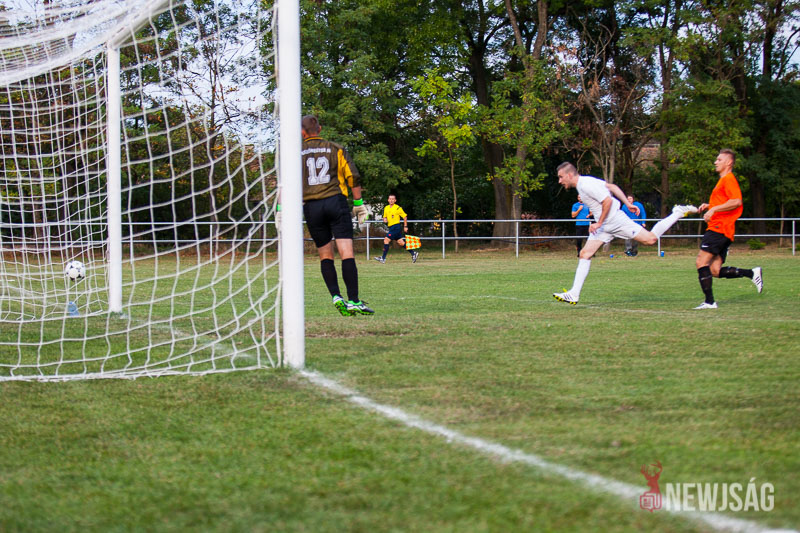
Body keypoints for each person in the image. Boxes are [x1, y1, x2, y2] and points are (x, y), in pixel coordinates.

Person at [552, 162, 697, 305]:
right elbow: (612, 187)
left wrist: (599, 222)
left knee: (651, 239)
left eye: (561, 177)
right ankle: (574, 294)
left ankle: (677, 213)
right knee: (585, 254)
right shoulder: (584, 183)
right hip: (604, 226)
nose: (559, 181)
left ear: (569, 175)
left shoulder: (586, 185)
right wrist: (627, 204)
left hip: (614, 220)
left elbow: (607, 201)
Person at [301, 115, 374, 316]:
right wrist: (358, 203)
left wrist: (281, 209)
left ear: (302, 132)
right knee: (346, 252)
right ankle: (354, 301)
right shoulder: (336, 148)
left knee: (325, 255)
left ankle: (336, 296)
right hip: (335, 201)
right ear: (320, 129)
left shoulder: (295, 152)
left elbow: (286, 182)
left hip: (311, 206)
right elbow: (353, 176)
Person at [693, 149, 763, 309]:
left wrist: (713, 210)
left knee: (701, 262)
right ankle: (751, 273)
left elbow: (736, 201)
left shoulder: (728, 179)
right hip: (724, 230)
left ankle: (709, 302)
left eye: (719, 159)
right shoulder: (723, 180)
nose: (715, 162)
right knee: (715, 270)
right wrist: (709, 205)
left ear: (729, 162)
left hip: (718, 228)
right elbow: (726, 202)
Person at [374, 194, 419, 264]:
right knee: (401, 242)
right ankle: (413, 253)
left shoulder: (398, 208)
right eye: (390, 199)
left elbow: (405, 217)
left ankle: (383, 258)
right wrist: (384, 219)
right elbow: (384, 217)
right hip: (391, 227)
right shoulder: (386, 208)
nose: (391, 200)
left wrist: (405, 226)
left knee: (386, 240)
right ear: (388, 200)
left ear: (395, 200)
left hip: (396, 227)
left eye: (393, 199)